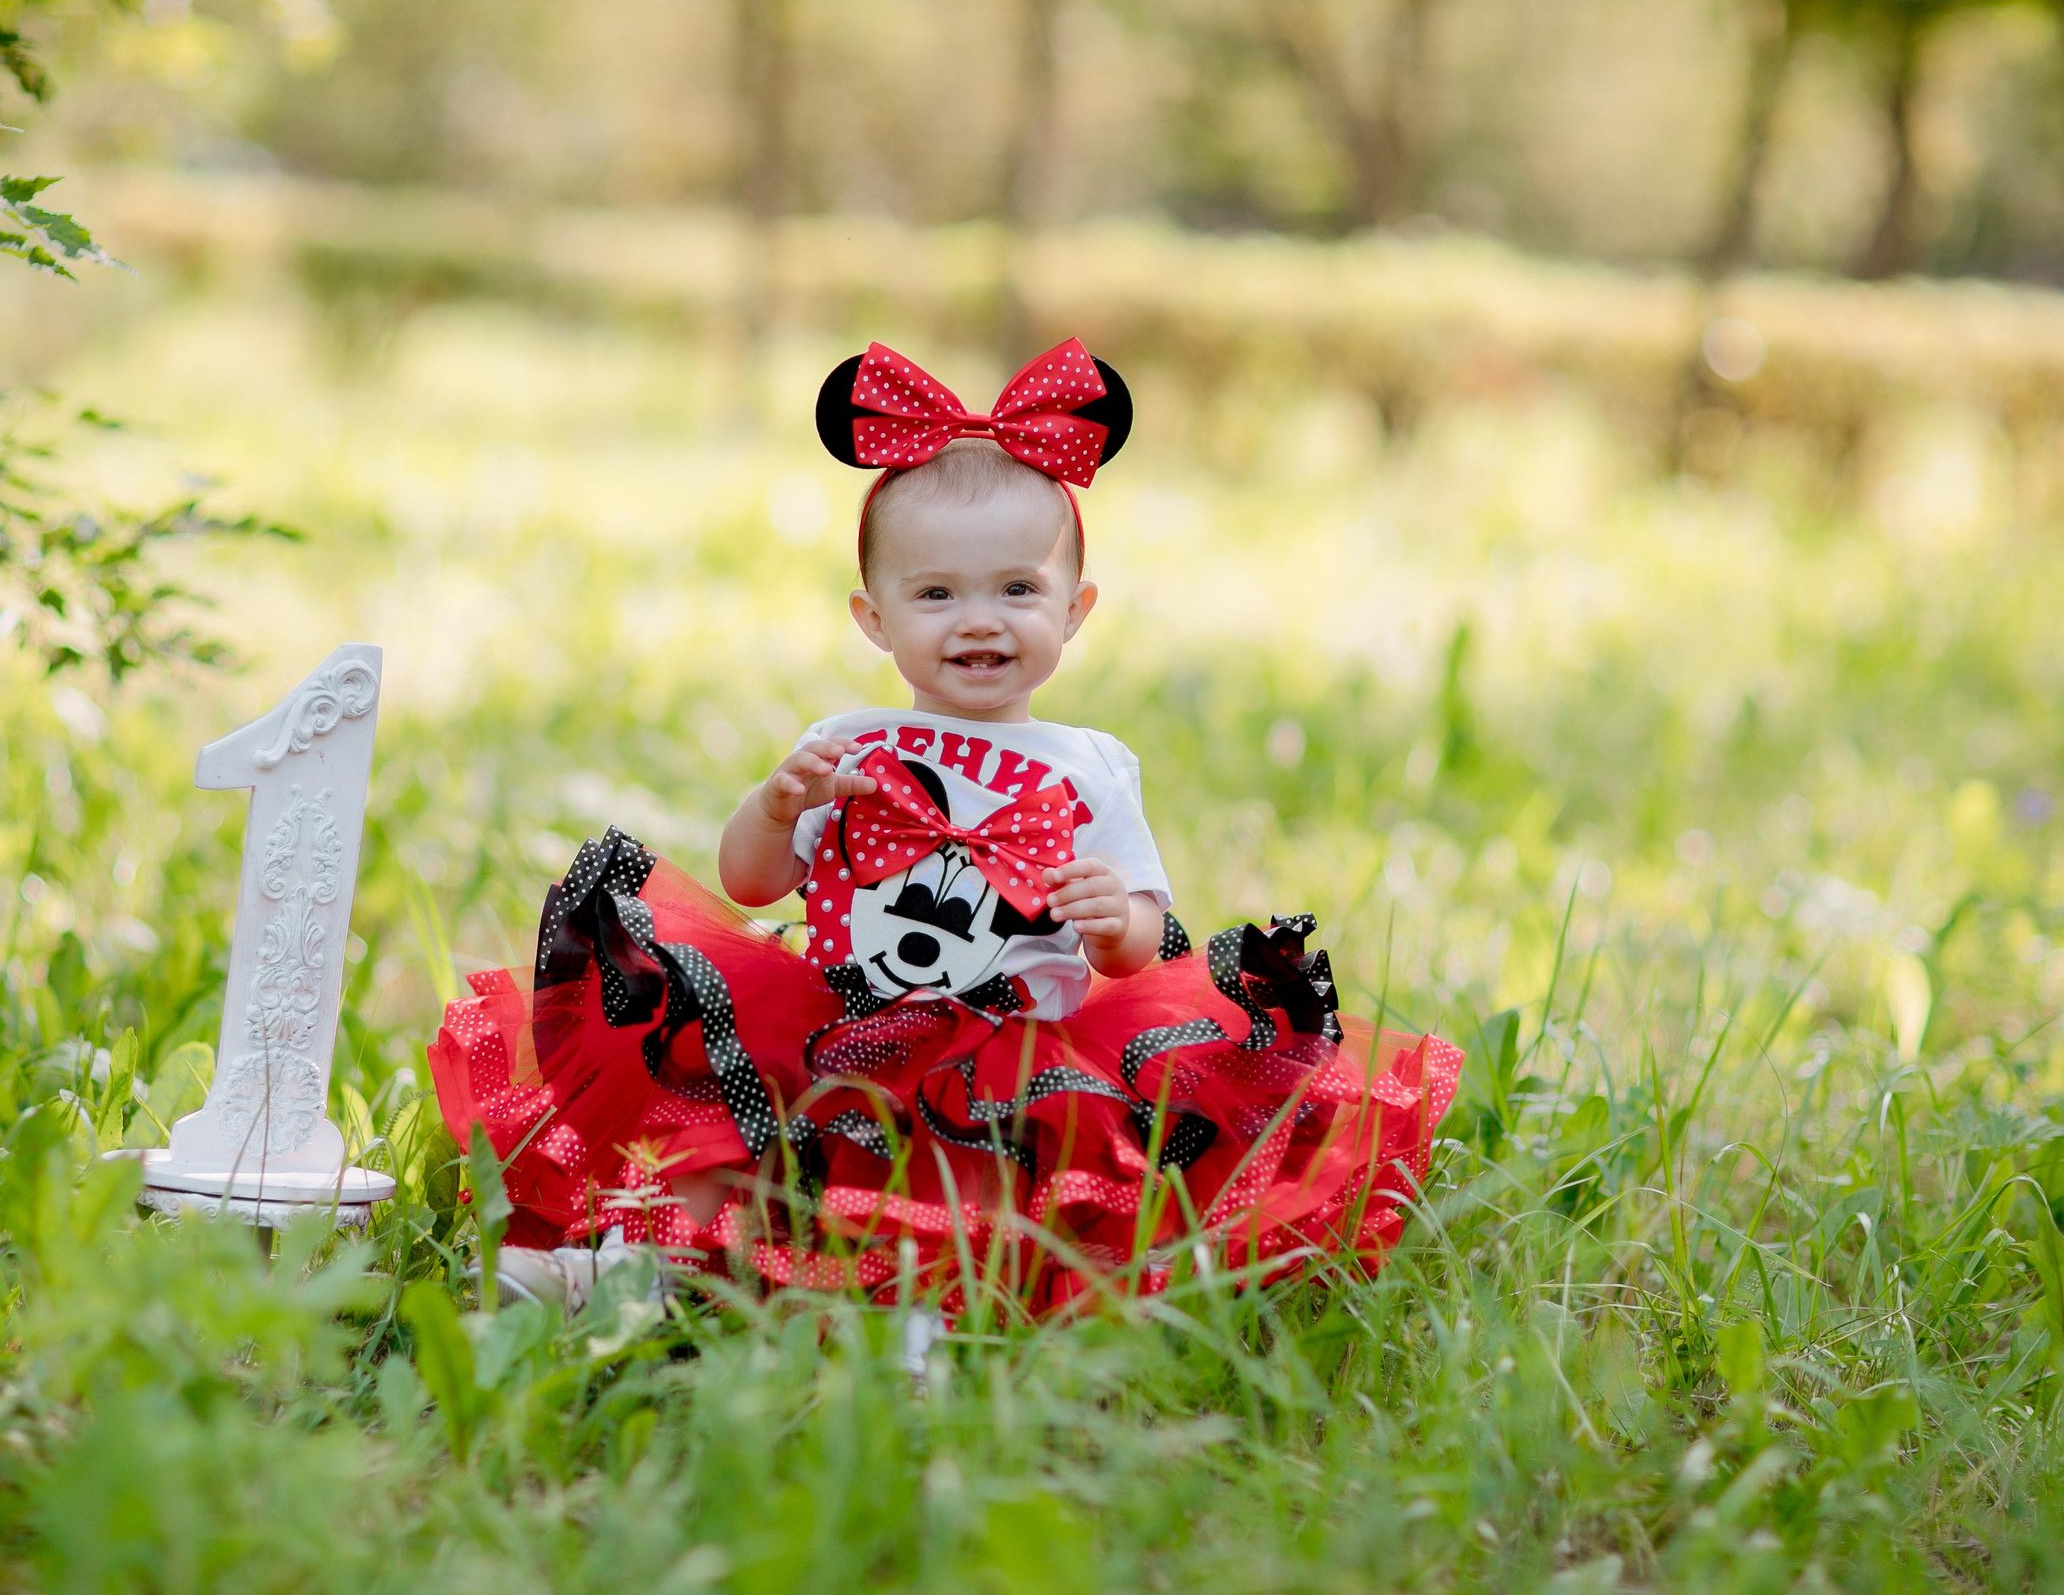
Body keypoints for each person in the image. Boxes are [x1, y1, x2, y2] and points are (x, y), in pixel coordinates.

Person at [427, 339, 1461, 1316]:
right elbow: (748, 884)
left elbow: (1148, 935)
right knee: (727, 1119)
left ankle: (935, 1310)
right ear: (872, 617)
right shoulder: (847, 741)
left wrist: (1115, 921)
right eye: (936, 593)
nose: (979, 620)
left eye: (1018, 589)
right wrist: (777, 805)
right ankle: (632, 1267)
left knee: (992, 1180)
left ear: (1076, 608)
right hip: (837, 1012)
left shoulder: (1090, 766)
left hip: (1011, 1038)